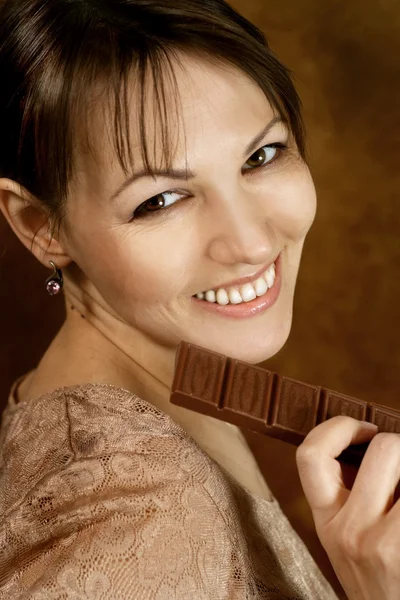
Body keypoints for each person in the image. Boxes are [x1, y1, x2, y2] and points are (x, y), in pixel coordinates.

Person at [0, 0, 398, 598]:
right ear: (39, 225)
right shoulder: (132, 520)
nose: (251, 241)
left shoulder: (158, 390)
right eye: (159, 200)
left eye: (261, 156)